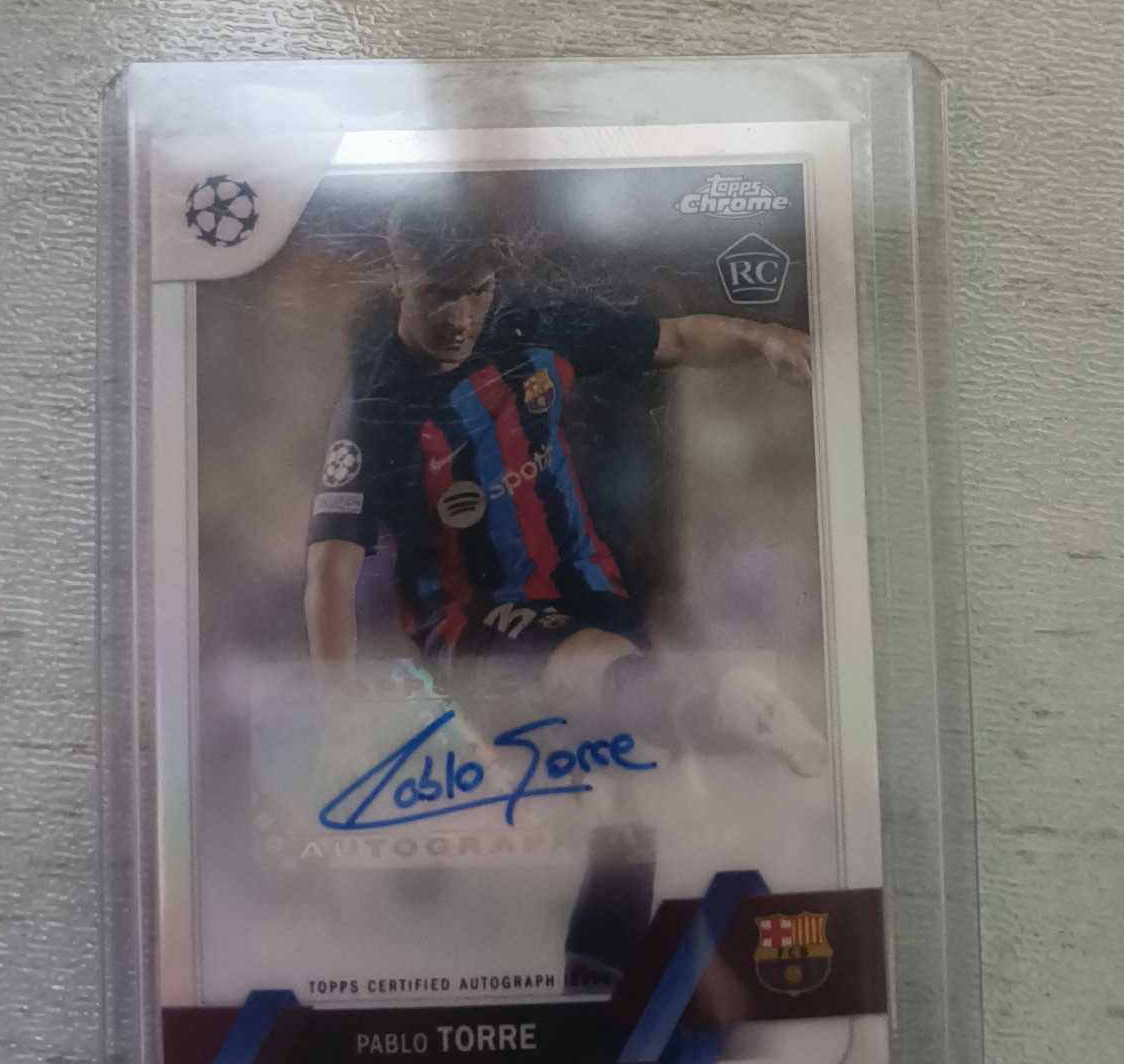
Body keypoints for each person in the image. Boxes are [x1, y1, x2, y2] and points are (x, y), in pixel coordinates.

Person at [304, 186, 828, 778]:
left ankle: (738, 712)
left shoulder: (534, 332)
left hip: (589, 590)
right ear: (400, 278)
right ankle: (733, 705)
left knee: (645, 766)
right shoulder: (374, 410)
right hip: (476, 626)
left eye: (476, 291)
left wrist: (764, 337)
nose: (459, 318)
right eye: (437, 295)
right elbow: (331, 570)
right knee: (603, 691)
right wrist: (338, 705)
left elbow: (678, 338)